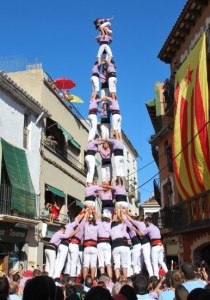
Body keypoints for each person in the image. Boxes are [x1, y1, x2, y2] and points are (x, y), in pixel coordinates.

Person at [53, 214, 84, 278]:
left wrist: (83, 212)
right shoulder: (71, 226)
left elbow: (77, 218)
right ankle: (56, 276)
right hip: (65, 245)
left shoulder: (67, 225)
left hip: (61, 245)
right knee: (61, 262)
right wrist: (76, 231)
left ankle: (54, 274)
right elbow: (69, 235)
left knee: (58, 260)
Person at [125, 213, 153, 278]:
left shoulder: (138, 224)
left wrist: (125, 212)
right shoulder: (142, 225)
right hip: (142, 245)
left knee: (136, 262)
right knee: (140, 262)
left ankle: (139, 276)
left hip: (140, 245)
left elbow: (128, 220)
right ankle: (141, 275)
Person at [110, 208, 128, 281]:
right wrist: (119, 214)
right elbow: (123, 221)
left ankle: (117, 279)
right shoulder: (118, 226)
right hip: (122, 245)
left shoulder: (110, 230)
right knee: (124, 263)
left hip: (115, 247)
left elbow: (112, 222)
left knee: (116, 264)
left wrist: (114, 214)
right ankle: (125, 278)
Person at [83, 209, 99, 280]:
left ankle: (84, 281)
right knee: (93, 265)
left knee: (85, 265)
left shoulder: (86, 224)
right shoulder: (96, 226)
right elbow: (98, 219)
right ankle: (92, 281)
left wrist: (88, 211)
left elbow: (85, 217)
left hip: (86, 246)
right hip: (94, 246)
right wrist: (94, 211)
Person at [96, 212, 112, 279]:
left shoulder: (99, 223)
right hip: (107, 243)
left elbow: (97, 218)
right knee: (108, 262)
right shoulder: (110, 224)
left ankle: (103, 279)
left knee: (101, 262)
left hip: (100, 243)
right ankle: (110, 279)